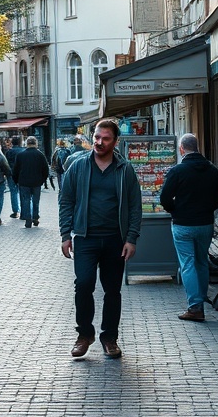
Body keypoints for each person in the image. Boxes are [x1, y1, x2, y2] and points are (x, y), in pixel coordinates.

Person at [58, 118, 142, 359]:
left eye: (105, 139)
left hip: (115, 239)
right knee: (83, 285)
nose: (99, 142)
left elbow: (135, 206)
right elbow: (66, 201)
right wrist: (66, 234)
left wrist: (131, 238)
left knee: (112, 290)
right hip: (85, 238)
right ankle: (85, 334)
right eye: (96, 137)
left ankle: (109, 338)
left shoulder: (125, 170)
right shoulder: (78, 166)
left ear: (115, 142)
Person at [159, 133, 218, 322]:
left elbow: (164, 197)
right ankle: (202, 297)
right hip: (205, 223)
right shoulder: (212, 170)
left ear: (182, 149)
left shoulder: (178, 171)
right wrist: (207, 209)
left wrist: (175, 210)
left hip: (183, 224)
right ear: (197, 147)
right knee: (201, 261)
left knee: (187, 264)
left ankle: (195, 307)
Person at [12, 136, 50, 227]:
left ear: (26, 144)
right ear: (36, 143)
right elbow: (45, 169)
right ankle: (35, 217)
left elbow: (15, 170)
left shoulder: (20, 155)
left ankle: (28, 220)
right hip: (36, 182)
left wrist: (16, 181)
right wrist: (42, 180)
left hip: (24, 182)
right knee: (36, 201)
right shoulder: (40, 155)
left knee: (26, 201)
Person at [4, 136, 23, 219]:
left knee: (13, 192)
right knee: (23, 192)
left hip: (11, 174)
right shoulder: (23, 151)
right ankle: (24, 210)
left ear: (12, 143)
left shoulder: (9, 152)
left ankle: (15, 211)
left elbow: (6, 164)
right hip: (21, 174)